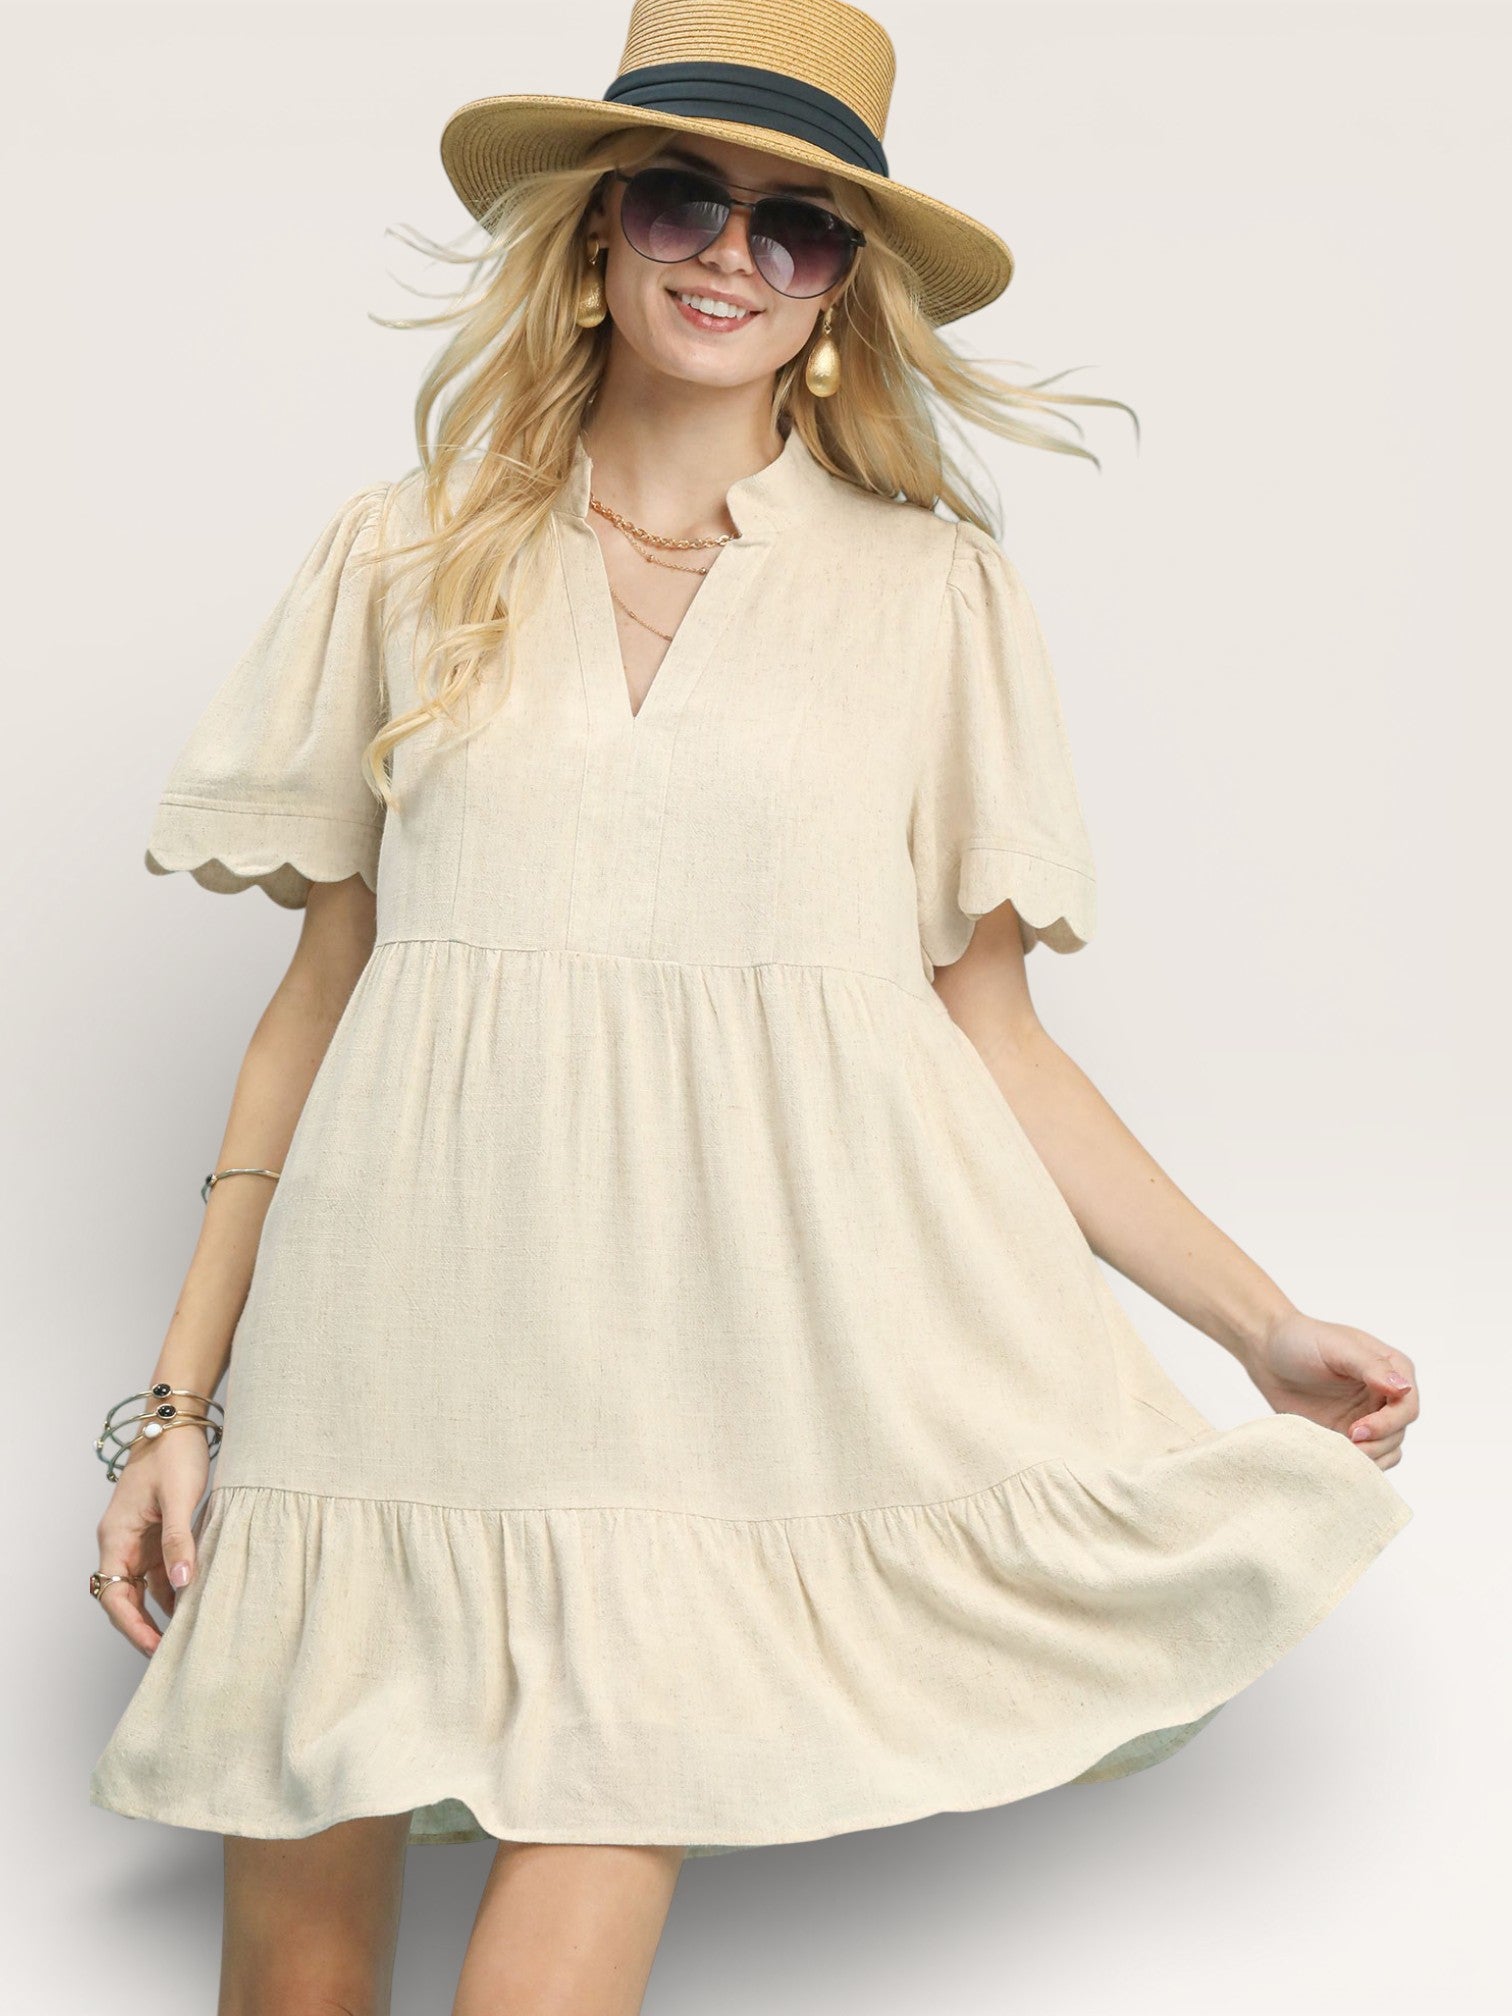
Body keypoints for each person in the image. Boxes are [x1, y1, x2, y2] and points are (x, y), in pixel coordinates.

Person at [87, 1, 1420, 2010]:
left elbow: (993, 1039)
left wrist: (1260, 1323)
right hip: (390, 1346)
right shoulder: (405, 554)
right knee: (288, 1969)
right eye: (684, 197)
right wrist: (182, 1407)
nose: (730, 252)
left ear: (841, 292)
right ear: (599, 232)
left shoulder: (930, 595)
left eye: (795, 227)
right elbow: (313, 1003)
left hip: (708, 1372)